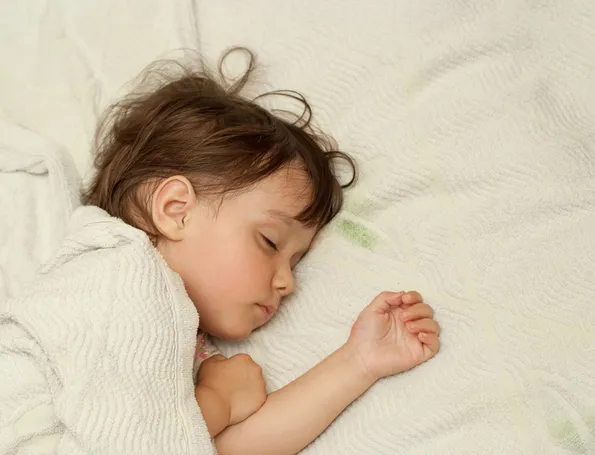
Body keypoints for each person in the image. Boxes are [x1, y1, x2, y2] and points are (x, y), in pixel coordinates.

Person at [0, 49, 440, 455]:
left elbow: (223, 446)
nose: (287, 282)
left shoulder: (182, 339)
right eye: (270, 242)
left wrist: (357, 363)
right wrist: (218, 402)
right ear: (175, 211)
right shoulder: (120, 273)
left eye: (295, 261)